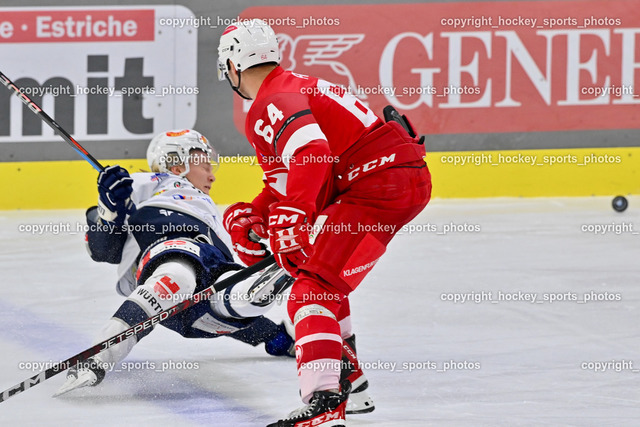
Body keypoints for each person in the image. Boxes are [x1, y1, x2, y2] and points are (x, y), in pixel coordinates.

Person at [217, 19, 432, 427]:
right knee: (324, 280)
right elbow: (294, 177)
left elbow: (311, 153)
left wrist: (293, 213)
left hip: (377, 187)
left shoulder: (270, 101)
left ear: (233, 65)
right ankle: (353, 388)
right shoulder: (292, 87)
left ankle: (323, 402)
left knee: (308, 293)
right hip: (392, 182)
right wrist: (256, 213)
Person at [55, 129, 295, 396]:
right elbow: (102, 250)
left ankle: (265, 284)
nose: (212, 174)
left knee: (228, 295)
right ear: (177, 163)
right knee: (177, 276)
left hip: (187, 307)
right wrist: (110, 209)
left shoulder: (207, 209)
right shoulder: (148, 183)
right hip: (165, 260)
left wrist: (276, 337)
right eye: (205, 165)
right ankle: (96, 359)